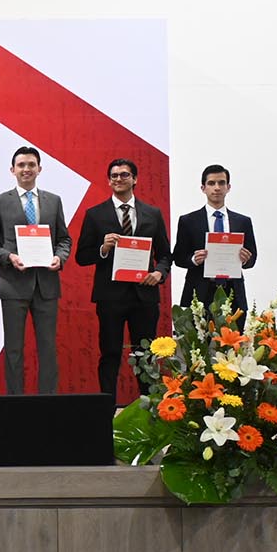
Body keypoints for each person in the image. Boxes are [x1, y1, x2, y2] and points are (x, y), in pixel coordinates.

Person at [75, 159, 172, 401]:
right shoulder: (95, 214)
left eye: (124, 175)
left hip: (144, 295)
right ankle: (106, 409)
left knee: (146, 355)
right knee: (110, 353)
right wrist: (103, 248)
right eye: (114, 176)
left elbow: (165, 255)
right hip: (110, 297)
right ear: (109, 181)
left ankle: (149, 409)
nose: (119, 179)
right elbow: (82, 256)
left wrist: (159, 273)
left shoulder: (152, 213)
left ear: (135, 179)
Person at [0, 146, 72, 394]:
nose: (26, 169)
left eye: (31, 164)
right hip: (13, 284)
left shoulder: (54, 201)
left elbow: (64, 239)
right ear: (12, 170)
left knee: (48, 348)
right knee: (13, 349)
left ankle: (48, 402)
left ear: (39, 169)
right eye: (21, 165)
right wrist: (8, 257)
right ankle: (16, 402)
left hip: (46, 284)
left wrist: (60, 257)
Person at [172, 164, 257, 326]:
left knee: (233, 341)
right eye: (211, 183)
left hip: (233, 293)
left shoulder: (242, 221)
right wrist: (194, 259)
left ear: (228, 187)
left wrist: (246, 259)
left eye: (221, 183)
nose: (217, 188)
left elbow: (252, 259)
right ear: (203, 188)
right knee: (198, 340)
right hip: (199, 292)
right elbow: (179, 258)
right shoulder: (188, 221)